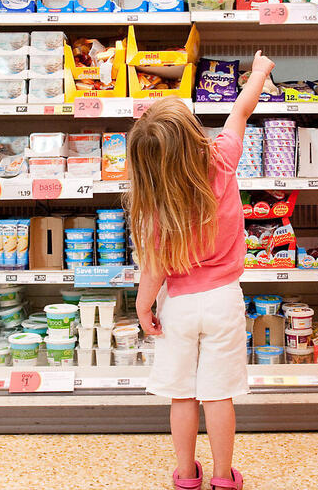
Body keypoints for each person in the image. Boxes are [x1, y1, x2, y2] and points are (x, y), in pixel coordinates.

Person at [125, 51, 276, 490]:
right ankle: (224, 476)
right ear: (194, 134)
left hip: (180, 306)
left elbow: (154, 267)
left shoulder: (155, 204)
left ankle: (187, 474)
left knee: (182, 394)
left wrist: (142, 305)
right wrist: (260, 71)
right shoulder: (222, 158)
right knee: (218, 394)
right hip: (225, 299)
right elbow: (240, 109)